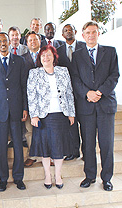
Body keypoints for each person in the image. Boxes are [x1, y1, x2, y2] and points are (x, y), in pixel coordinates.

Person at [72, 21, 119, 191]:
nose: (91, 35)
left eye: (94, 32)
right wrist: (87, 93)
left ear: (98, 34)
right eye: (88, 33)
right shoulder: (77, 55)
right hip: (86, 106)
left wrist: (100, 92)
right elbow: (75, 78)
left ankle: (106, 178)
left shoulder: (110, 52)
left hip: (105, 104)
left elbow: (115, 75)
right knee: (88, 144)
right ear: (83, 35)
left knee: (106, 144)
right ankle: (89, 176)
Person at [27, 45, 75, 189]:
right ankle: (48, 175)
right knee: (45, 148)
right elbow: (31, 95)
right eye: (43, 56)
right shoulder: (34, 73)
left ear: (54, 56)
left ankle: (58, 175)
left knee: (59, 148)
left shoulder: (63, 71)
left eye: (48, 55)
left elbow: (69, 93)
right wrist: (34, 115)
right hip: (43, 117)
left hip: (60, 114)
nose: (46, 58)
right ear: (39, 59)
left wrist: (71, 113)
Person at [0, 32, 27, 192]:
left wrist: (24, 108)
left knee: (18, 145)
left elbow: (23, 86)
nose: (3, 43)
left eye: (5, 40)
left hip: (17, 109)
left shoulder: (20, 61)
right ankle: (3, 179)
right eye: (0, 41)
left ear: (10, 42)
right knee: (1, 146)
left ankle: (18, 178)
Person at [57, 24, 85, 161]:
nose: (68, 32)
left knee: (85, 124)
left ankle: (87, 152)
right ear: (62, 35)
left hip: (84, 92)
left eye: (70, 30)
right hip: (67, 93)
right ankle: (74, 151)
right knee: (71, 124)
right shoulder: (58, 50)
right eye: (65, 31)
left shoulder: (84, 47)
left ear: (76, 31)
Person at [22, 31, 41, 167]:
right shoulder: (21, 59)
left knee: (47, 128)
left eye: (35, 39)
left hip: (45, 100)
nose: (33, 42)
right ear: (27, 43)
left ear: (40, 41)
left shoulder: (47, 55)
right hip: (29, 100)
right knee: (30, 130)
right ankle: (32, 155)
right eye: (30, 40)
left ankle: (49, 155)